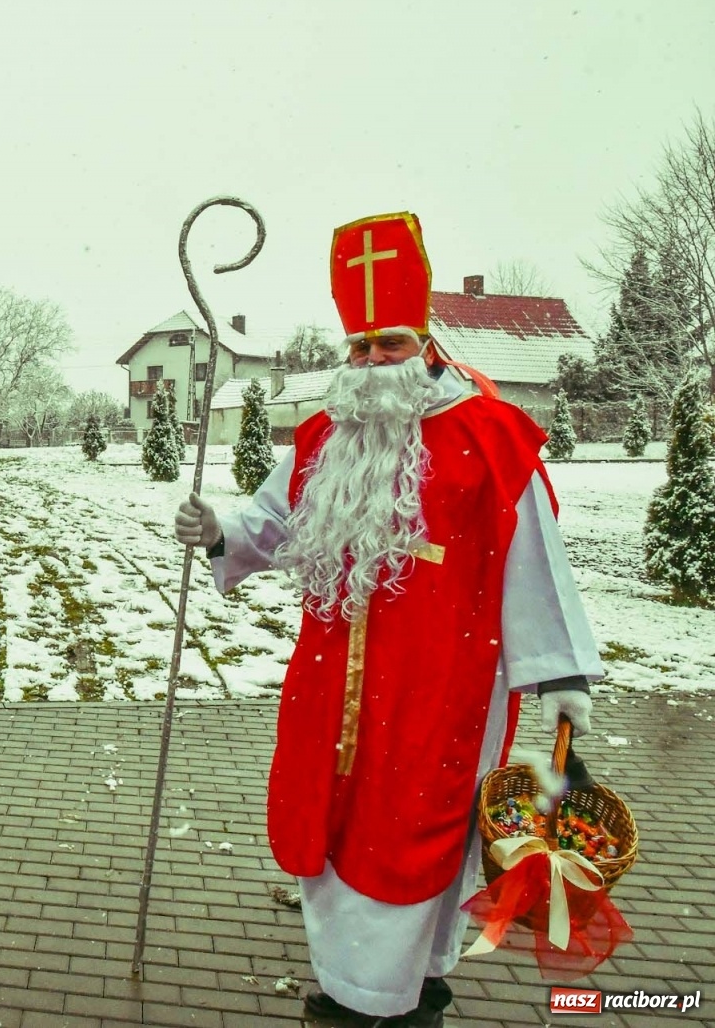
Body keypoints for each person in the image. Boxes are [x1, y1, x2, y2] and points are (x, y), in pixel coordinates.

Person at [172, 212, 603, 1028]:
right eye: (360, 348)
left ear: (426, 341)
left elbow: (533, 561)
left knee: (411, 833)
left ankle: (391, 1000)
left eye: (391, 345)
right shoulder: (324, 437)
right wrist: (220, 529)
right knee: (333, 831)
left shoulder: (488, 437)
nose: (373, 364)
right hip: (331, 687)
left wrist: (559, 675)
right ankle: (356, 990)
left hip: (442, 689)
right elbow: (276, 523)